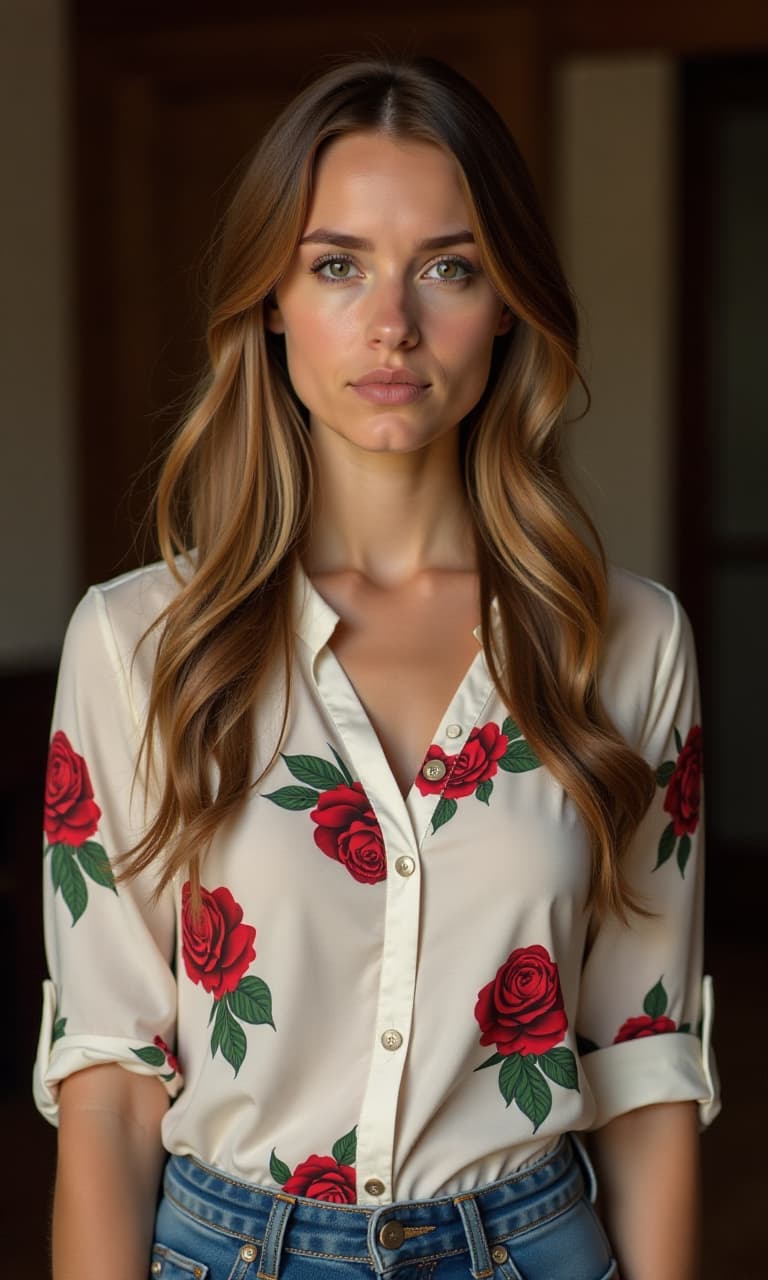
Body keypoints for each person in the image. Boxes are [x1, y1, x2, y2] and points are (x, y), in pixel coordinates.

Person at [34, 54, 720, 1280]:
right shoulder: (138, 642)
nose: (393, 322)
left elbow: (644, 1049)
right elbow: (108, 1079)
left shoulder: (624, 638)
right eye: (338, 264)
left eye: (447, 267)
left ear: (506, 301)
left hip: (535, 1245)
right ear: (272, 300)